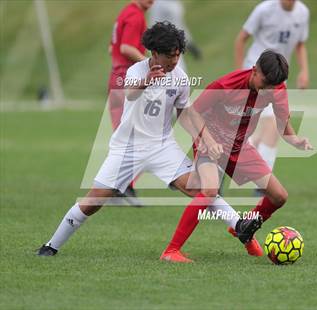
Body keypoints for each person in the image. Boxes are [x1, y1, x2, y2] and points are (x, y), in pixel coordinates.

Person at [37, 22, 261, 263]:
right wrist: (147, 80)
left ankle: (240, 224)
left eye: (177, 55)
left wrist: (206, 139)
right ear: (154, 53)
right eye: (169, 56)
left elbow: (185, 113)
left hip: (161, 147)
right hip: (128, 148)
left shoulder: (180, 78)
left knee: (202, 188)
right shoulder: (136, 70)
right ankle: (51, 245)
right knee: (93, 201)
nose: (174, 60)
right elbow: (129, 92)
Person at [161, 50, 312, 260]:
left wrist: (294, 139)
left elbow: (282, 121)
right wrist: (208, 140)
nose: (266, 91)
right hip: (209, 142)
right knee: (209, 190)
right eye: (264, 84)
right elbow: (192, 112)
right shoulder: (226, 85)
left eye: (271, 88)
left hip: (239, 147)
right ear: (254, 70)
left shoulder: (275, 87)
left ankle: (243, 227)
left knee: (279, 196)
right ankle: (171, 250)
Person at [234, 0, 310, 174]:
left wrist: (304, 71)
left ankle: (252, 174)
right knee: (271, 124)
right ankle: (261, 180)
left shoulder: (303, 12)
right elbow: (241, 39)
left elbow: (300, 44)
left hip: (278, 77)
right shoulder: (264, 10)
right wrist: (239, 74)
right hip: (256, 74)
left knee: (265, 130)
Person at [108, 0, 154, 197]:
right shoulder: (135, 16)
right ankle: (122, 184)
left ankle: (122, 184)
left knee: (126, 134)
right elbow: (126, 47)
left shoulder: (125, 12)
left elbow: (113, 48)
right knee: (143, 135)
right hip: (127, 80)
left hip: (117, 78)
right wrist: (151, 64)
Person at [149, 0, 201, 72]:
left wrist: (189, 44)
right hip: (163, 46)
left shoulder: (174, 3)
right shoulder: (163, 5)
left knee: (180, 74)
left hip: (173, 44)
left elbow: (180, 25)